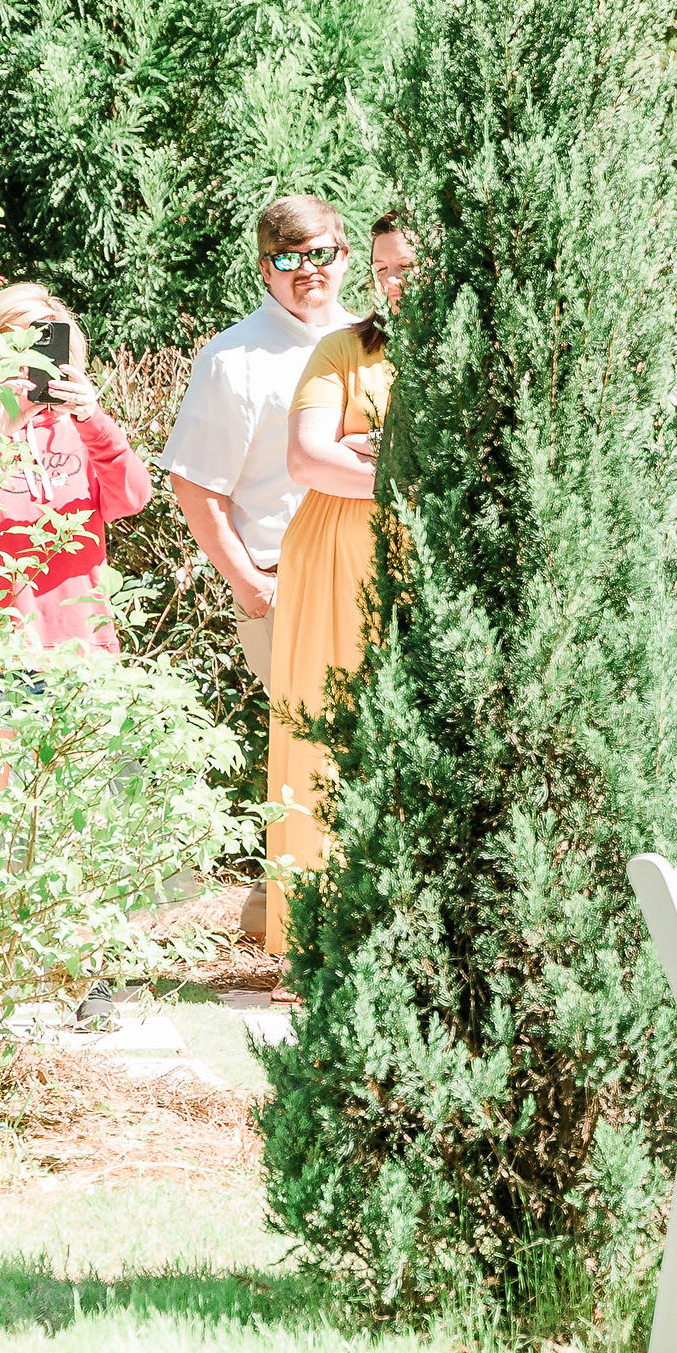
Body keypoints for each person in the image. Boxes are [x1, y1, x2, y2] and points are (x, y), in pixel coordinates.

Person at [260, 213, 421, 959]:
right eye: (385, 270)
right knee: (324, 737)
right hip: (333, 565)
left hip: (430, 567)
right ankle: (315, 946)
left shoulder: (483, 352)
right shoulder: (344, 349)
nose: (395, 282)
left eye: (409, 266)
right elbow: (307, 460)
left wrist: (371, 450)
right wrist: (408, 473)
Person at [162, 195, 356, 691]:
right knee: (309, 733)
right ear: (266, 270)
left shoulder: (371, 341)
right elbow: (194, 484)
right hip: (286, 585)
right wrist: (250, 585)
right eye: (288, 259)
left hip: (368, 573)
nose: (307, 270)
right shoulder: (233, 359)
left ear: (345, 255)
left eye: (320, 254)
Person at [0, 282, 151, 654]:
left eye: (40, 349)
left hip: (78, 654)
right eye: (13, 347)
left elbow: (132, 499)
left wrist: (92, 419)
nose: (26, 365)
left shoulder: (82, 431)